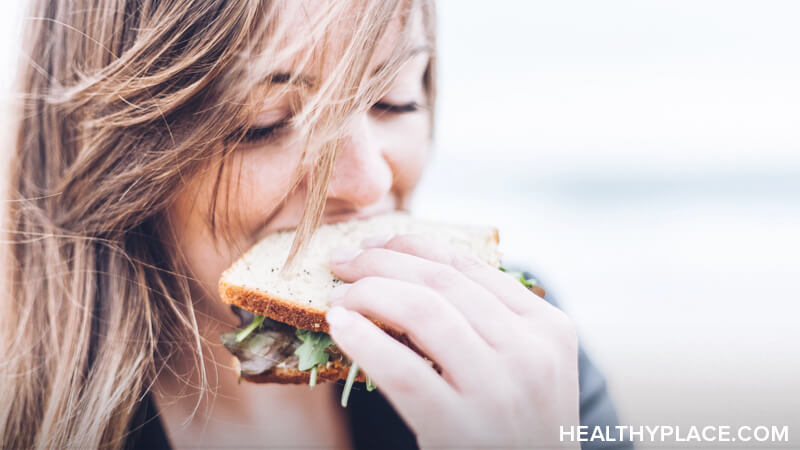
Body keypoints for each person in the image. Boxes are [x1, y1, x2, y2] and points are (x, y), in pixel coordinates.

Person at [0, 0, 626, 448]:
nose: (370, 184)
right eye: (264, 122)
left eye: (396, 99)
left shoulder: (521, 354)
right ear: (114, 153)